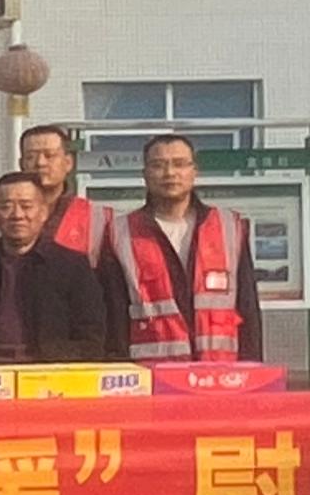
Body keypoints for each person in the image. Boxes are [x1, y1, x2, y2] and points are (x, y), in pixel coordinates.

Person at [110, 132, 264, 363]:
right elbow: (115, 316)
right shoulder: (121, 232)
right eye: (158, 165)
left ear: (194, 172)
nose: (170, 173)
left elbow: (248, 308)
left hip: (221, 371)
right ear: (145, 174)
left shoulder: (228, 227)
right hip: (153, 372)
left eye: (180, 164)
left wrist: (253, 369)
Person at [0, 171, 113, 363]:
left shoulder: (72, 266)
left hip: (51, 370)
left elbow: (91, 337)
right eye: (6, 207)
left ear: (43, 212)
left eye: (26, 206)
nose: (17, 215)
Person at [0, 122, 115, 266]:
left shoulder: (96, 217)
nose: (40, 163)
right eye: (31, 157)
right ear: (21, 164)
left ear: (68, 163)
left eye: (49, 155)